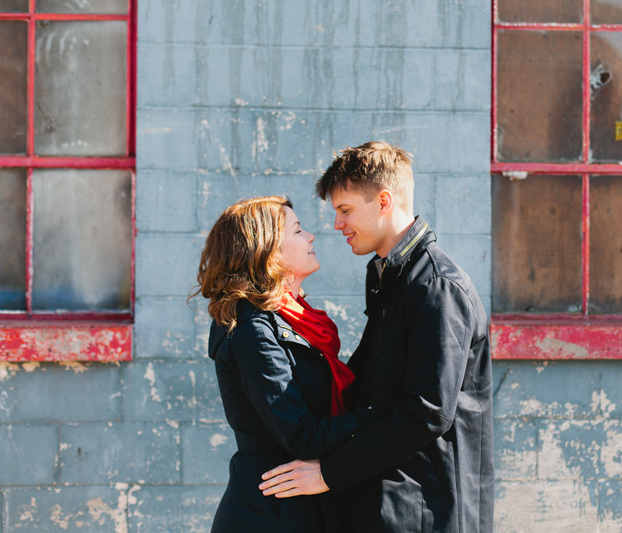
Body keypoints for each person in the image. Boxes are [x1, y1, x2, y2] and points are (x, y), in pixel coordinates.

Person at [259, 142, 495, 533]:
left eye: (345, 210)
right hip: (395, 503)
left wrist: (330, 473)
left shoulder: (435, 286)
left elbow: (428, 410)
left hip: (425, 511)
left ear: (384, 201)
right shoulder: (394, 278)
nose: (337, 224)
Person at [195, 196, 366, 532]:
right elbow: (303, 435)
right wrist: (378, 414)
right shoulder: (251, 330)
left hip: (302, 508)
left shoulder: (291, 320)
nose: (311, 237)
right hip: (270, 516)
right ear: (269, 249)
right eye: (298, 230)